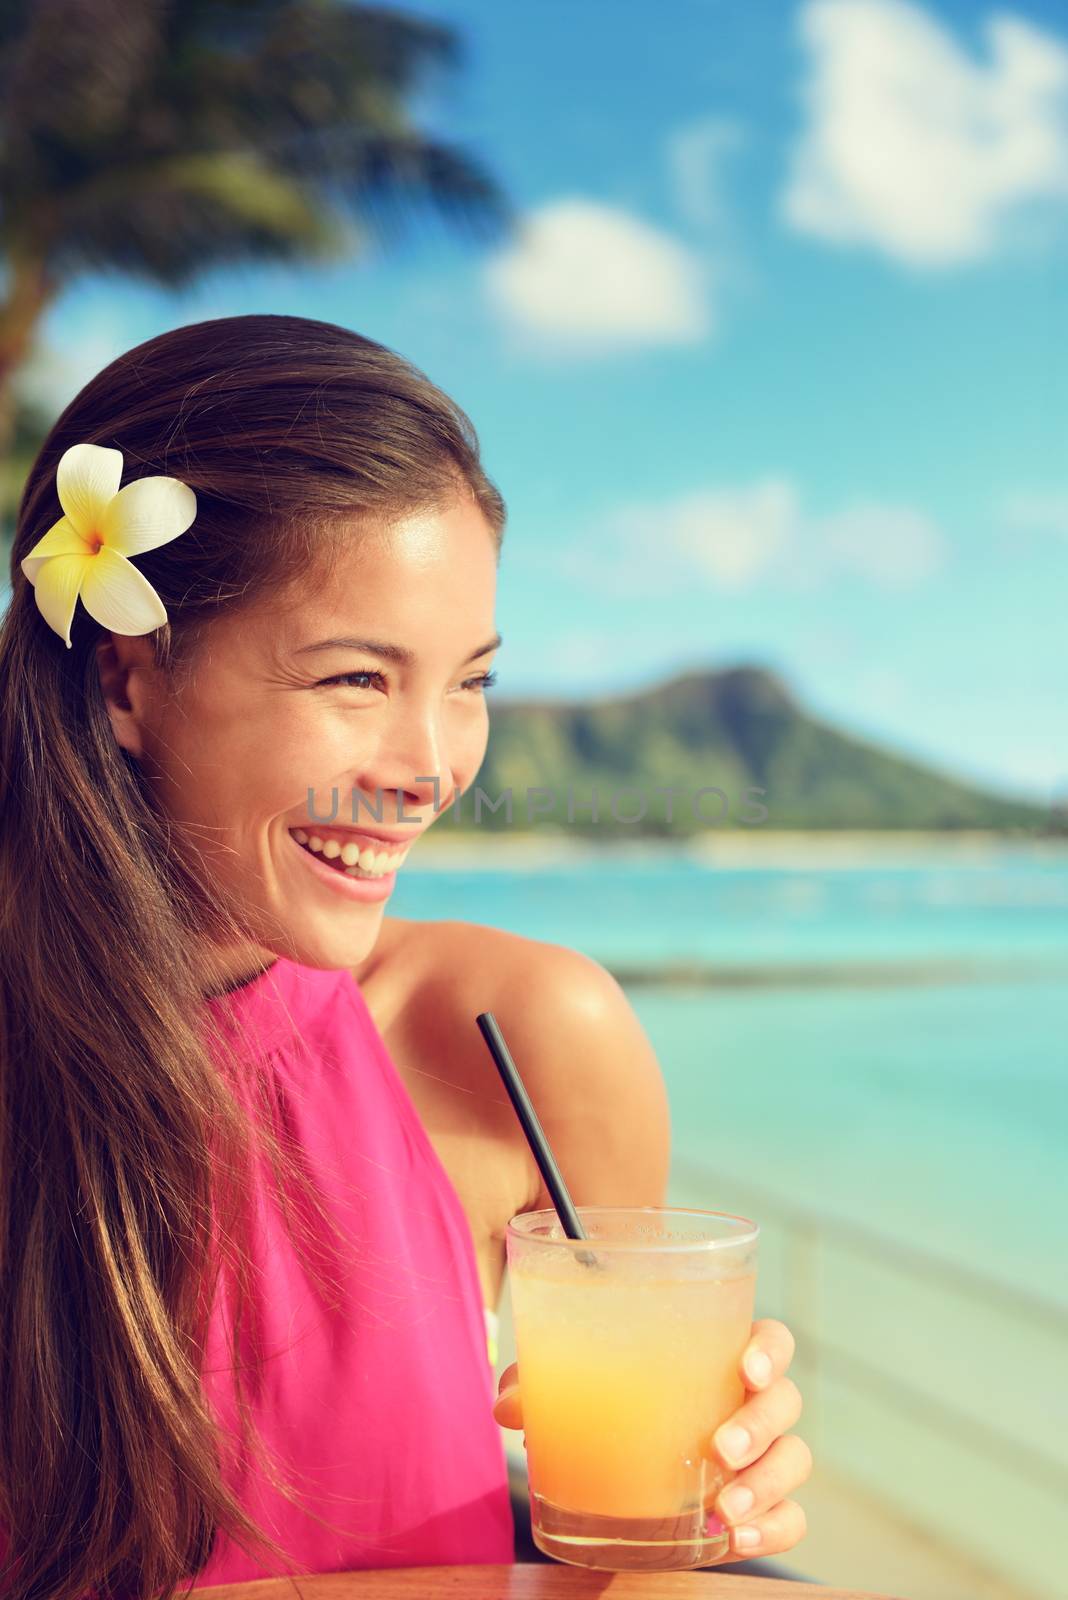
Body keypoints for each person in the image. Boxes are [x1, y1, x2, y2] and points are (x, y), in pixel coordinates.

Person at [0, 314, 810, 1599]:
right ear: (127, 683)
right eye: (357, 681)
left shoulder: (523, 1039)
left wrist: (700, 1496)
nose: (431, 767)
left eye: (470, 680)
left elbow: (632, 1561)